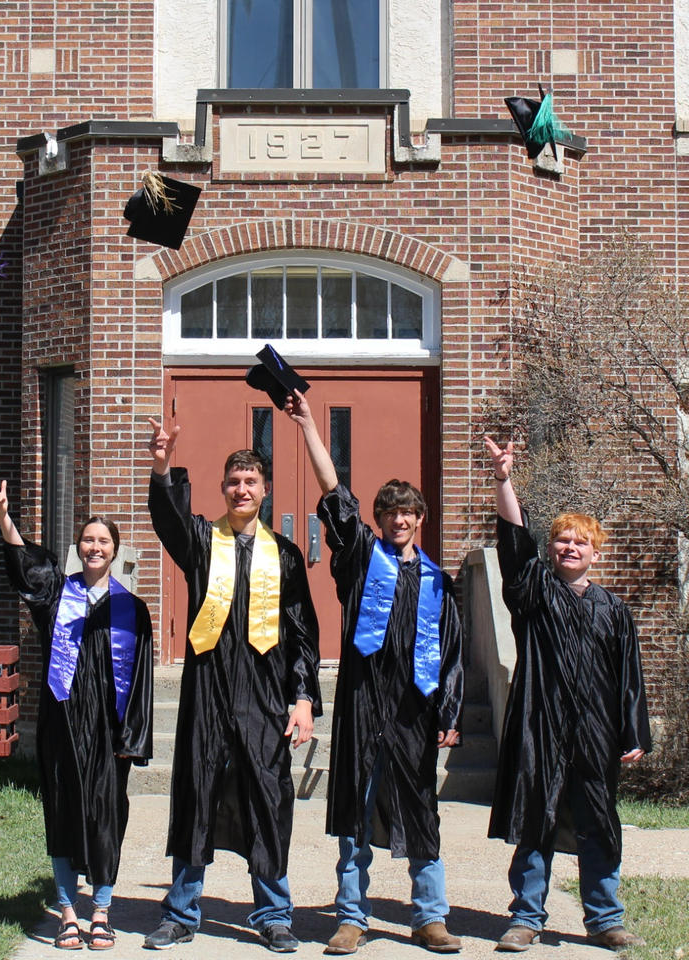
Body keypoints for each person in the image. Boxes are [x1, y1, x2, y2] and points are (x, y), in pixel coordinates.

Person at [285, 392, 464, 955]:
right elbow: (334, 492)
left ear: (420, 518)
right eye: (390, 512)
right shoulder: (363, 557)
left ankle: (430, 916)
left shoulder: (438, 583)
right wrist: (312, 424)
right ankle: (352, 917)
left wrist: (450, 713)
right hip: (365, 705)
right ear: (379, 521)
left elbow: (453, 654)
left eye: (408, 511)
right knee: (356, 810)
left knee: (422, 811)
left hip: (415, 711)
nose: (400, 519)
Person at [143, 419, 321, 953]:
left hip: (264, 699)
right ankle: (180, 912)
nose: (242, 490)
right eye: (233, 482)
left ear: (265, 491)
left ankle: (274, 913)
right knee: (196, 793)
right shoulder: (203, 540)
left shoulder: (285, 555)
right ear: (223, 489)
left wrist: (305, 697)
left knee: (268, 798)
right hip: (207, 693)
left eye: (251, 482)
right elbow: (167, 520)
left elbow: (302, 632)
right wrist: (161, 464)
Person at [483, 437, 651, 953]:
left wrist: (634, 730)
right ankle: (526, 917)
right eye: (561, 541)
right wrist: (504, 479)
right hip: (541, 725)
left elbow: (630, 676)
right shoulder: (534, 591)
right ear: (552, 550)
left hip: (597, 734)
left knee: (600, 822)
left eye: (580, 543)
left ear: (595, 552)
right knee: (536, 818)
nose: (569, 549)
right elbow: (514, 540)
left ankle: (605, 918)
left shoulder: (613, 609)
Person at [0, 480, 153, 951]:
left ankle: (102, 910)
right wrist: (4, 516)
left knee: (107, 818)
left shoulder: (133, 610)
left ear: (115, 550)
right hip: (63, 729)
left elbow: (140, 681)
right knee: (60, 814)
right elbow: (25, 567)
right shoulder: (57, 596)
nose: (94, 547)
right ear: (79, 547)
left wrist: (133, 737)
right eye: (88, 539)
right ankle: (68, 911)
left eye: (104, 541)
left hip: (108, 733)